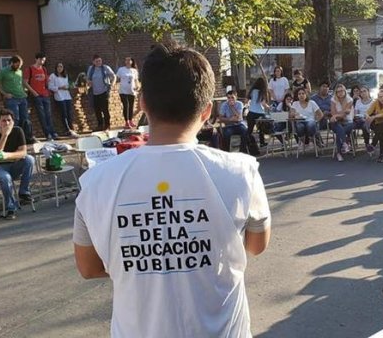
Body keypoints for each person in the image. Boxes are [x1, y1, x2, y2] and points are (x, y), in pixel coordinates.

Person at [73, 45, 271, 337]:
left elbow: (89, 267)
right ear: (206, 111)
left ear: (141, 103)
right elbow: (256, 245)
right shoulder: (242, 172)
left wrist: (147, 262)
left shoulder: (96, 182)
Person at [0, 109, 35, 220]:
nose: (7, 123)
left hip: (13, 166)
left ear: (13, 121)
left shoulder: (18, 131)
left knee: (29, 159)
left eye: (9, 120)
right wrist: (5, 135)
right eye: (4, 121)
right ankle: (11, 208)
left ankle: (24, 192)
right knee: (5, 177)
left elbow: (23, 152)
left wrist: (7, 155)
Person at [0, 55, 37, 144]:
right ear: (12, 63)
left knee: (25, 119)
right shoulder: (3, 71)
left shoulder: (19, 72)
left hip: (22, 98)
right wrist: (5, 94)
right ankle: (14, 140)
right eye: (17, 65)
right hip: (12, 99)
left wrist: (25, 92)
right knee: (14, 119)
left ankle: (28, 138)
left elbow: (19, 84)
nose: (18, 67)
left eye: (20, 66)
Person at [24, 52, 57, 140]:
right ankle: (47, 134)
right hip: (36, 95)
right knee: (42, 115)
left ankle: (52, 132)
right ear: (36, 59)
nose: (42, 61)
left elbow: (46, 81)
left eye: (43, 60)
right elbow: (25, 82)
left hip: (45, 94)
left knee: (48, 114)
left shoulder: (44, 69)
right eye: (41, 59)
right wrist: (33, 92)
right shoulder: (30, 69)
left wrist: (48, 90)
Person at [48, 62, 79, 138]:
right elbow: (50, 86)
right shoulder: (53, 76)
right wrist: (59, 88)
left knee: (69, 113)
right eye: (58, 66)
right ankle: (67, 129)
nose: (60, 68)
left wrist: (68, 86)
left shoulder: (65, 76)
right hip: (59, 96)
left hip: (66, 96)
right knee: (64, 113)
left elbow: (67, 85)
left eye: (61, 67)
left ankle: (71, 129)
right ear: (56, 68)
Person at [86, 54, 116, 131]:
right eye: (97, 61)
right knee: (97, 110)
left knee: (105, 109)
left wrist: (112, 84)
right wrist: (88, 82)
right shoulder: (91, 69)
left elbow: (114, 76)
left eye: (100, 61)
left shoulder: (105, 68)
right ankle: (100, 125)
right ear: (93, 62)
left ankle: (107, 125)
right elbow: (88, 78)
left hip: (104, 91)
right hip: (95, 92)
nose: (99, 62)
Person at [330, 83, 354, 162]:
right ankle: (344, 143)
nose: (340, 93)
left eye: (342, 91)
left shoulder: (349, 100)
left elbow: (345, 114)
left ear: (345, 91)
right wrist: (339, 114)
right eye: (338, 91)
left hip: (347, 121)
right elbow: (333, 113)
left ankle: (339, 153)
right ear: (336, 93)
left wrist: (338, 114)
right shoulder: (333, 100)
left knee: (339, 131)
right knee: (338, 127)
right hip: (336, 122)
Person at [116, 56, 140, 129]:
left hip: (132, 91)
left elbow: (136, 80)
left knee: (131, 106)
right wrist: (113, 84)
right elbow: (117, 78)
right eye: (126, 60)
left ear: (132, 61)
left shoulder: (134, 71)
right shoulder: (121, 69)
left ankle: (130, 120)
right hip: (123, 91)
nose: (127, 61)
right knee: (126, 105)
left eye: (129, 60)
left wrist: (138, 86)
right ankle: (126, 122)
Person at [246, 77, 270, 148]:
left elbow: (247, 100)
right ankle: (262, 143)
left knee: (250, 129)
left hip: (251, 112)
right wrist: (268, 107)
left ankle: (247, 142)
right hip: (260, 112)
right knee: (261, 129)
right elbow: (263, 103)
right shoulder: (262, 92)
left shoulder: (252, 91)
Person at [353, 86, 373, 152]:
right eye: (361, 92)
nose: (363, 93)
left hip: (369, 120)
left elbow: (374, 113)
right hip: (359, 120)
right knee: (350, 124)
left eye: (364, 91)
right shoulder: (358, 102)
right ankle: (348, 143)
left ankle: (367, 144)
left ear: (368, 92)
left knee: (365, 125)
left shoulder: (373, 102)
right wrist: (358, 116)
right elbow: (355, 113)